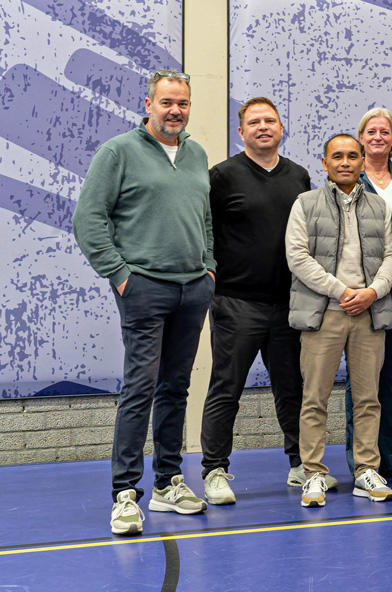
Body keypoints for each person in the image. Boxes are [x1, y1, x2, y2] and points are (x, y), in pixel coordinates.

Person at [75, 70, 215, 535]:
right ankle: (124, 493)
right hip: (144, 289)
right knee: (140, 387)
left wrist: (209, 267)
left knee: (176, 388)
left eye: (183, 103)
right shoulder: (118, 152)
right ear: (149, 104)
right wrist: (120, 276)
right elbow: (88, 219)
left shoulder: (196, 154)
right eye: (167, 102)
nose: (175, 110)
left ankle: (168, 483)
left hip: (193, 289)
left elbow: (204, 218)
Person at [199, 97, 315, 505]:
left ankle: (301, 464)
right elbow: (204, 231)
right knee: (226, 389)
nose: (263, 127)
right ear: (241, 131)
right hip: (236, 304)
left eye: (270, 120)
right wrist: (210, 276)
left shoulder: (299, 176)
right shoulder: (221, 177)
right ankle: (214, 471)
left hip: (288, 305)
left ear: (281, 128)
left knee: (292, 389)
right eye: (254, 122)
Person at [285, 134, 392, 507]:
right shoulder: (305, 204)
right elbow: (297, 257)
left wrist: (373, 292)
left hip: (369, 314)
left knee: (368, 399)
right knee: (314, 398)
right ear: (325, 163)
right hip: (323, 317)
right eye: (338, 156)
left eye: (353, 156)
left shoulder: (380, 206)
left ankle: (366, 471)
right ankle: (313, 474)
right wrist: (341, 291)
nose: (346, 162)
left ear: (364, 161)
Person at [339, 107, 392, 481]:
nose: (378, 137)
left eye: (385, 131)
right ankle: (363, 461)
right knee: (362, 381)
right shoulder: (348, 178)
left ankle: (391, 455)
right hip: (364, 294)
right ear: (361, 138)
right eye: (370, 131)